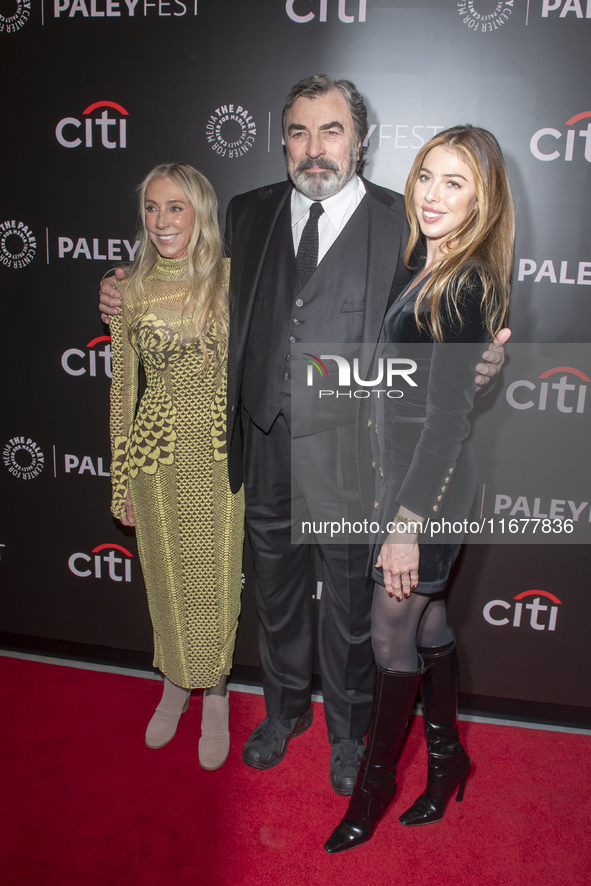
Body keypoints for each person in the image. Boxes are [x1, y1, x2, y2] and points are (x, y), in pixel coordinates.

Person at [100, 75, 508, 794]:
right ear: (281, 139)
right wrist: (124, 287)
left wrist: (480, 361)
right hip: (261, 442)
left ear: (360, 140)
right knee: (277, 594)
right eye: (298, 132)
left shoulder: (402, 222)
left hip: (355, 455)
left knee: (353, 609)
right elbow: (192, 277)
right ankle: (283, 711)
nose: (313, 148)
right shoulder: (248, 210)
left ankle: (349, 733)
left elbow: (437, 320)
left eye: (330, 131)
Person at [325, 125, 514, 852]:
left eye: (454, 183)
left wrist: (403, 527)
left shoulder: (464, 282)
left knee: (388, 635)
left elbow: (443, 425)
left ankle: (372, 792)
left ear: (481, 200)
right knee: (427, 626)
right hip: (401, 483)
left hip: (424, 493)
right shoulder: (422, 258)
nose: (432, 195)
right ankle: (447, 762)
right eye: (426, 176)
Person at [109, 163, 244, 771]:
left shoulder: (232, 280)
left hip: (219, 455)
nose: (162, 221)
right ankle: (172, 681)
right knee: (163, 580)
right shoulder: (129, 289)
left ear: (200, 214)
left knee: (214, 581)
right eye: (152, 208)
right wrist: (121, 482)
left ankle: (214, 692)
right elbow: (121, 394)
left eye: (176, 208)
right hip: (155, 457)